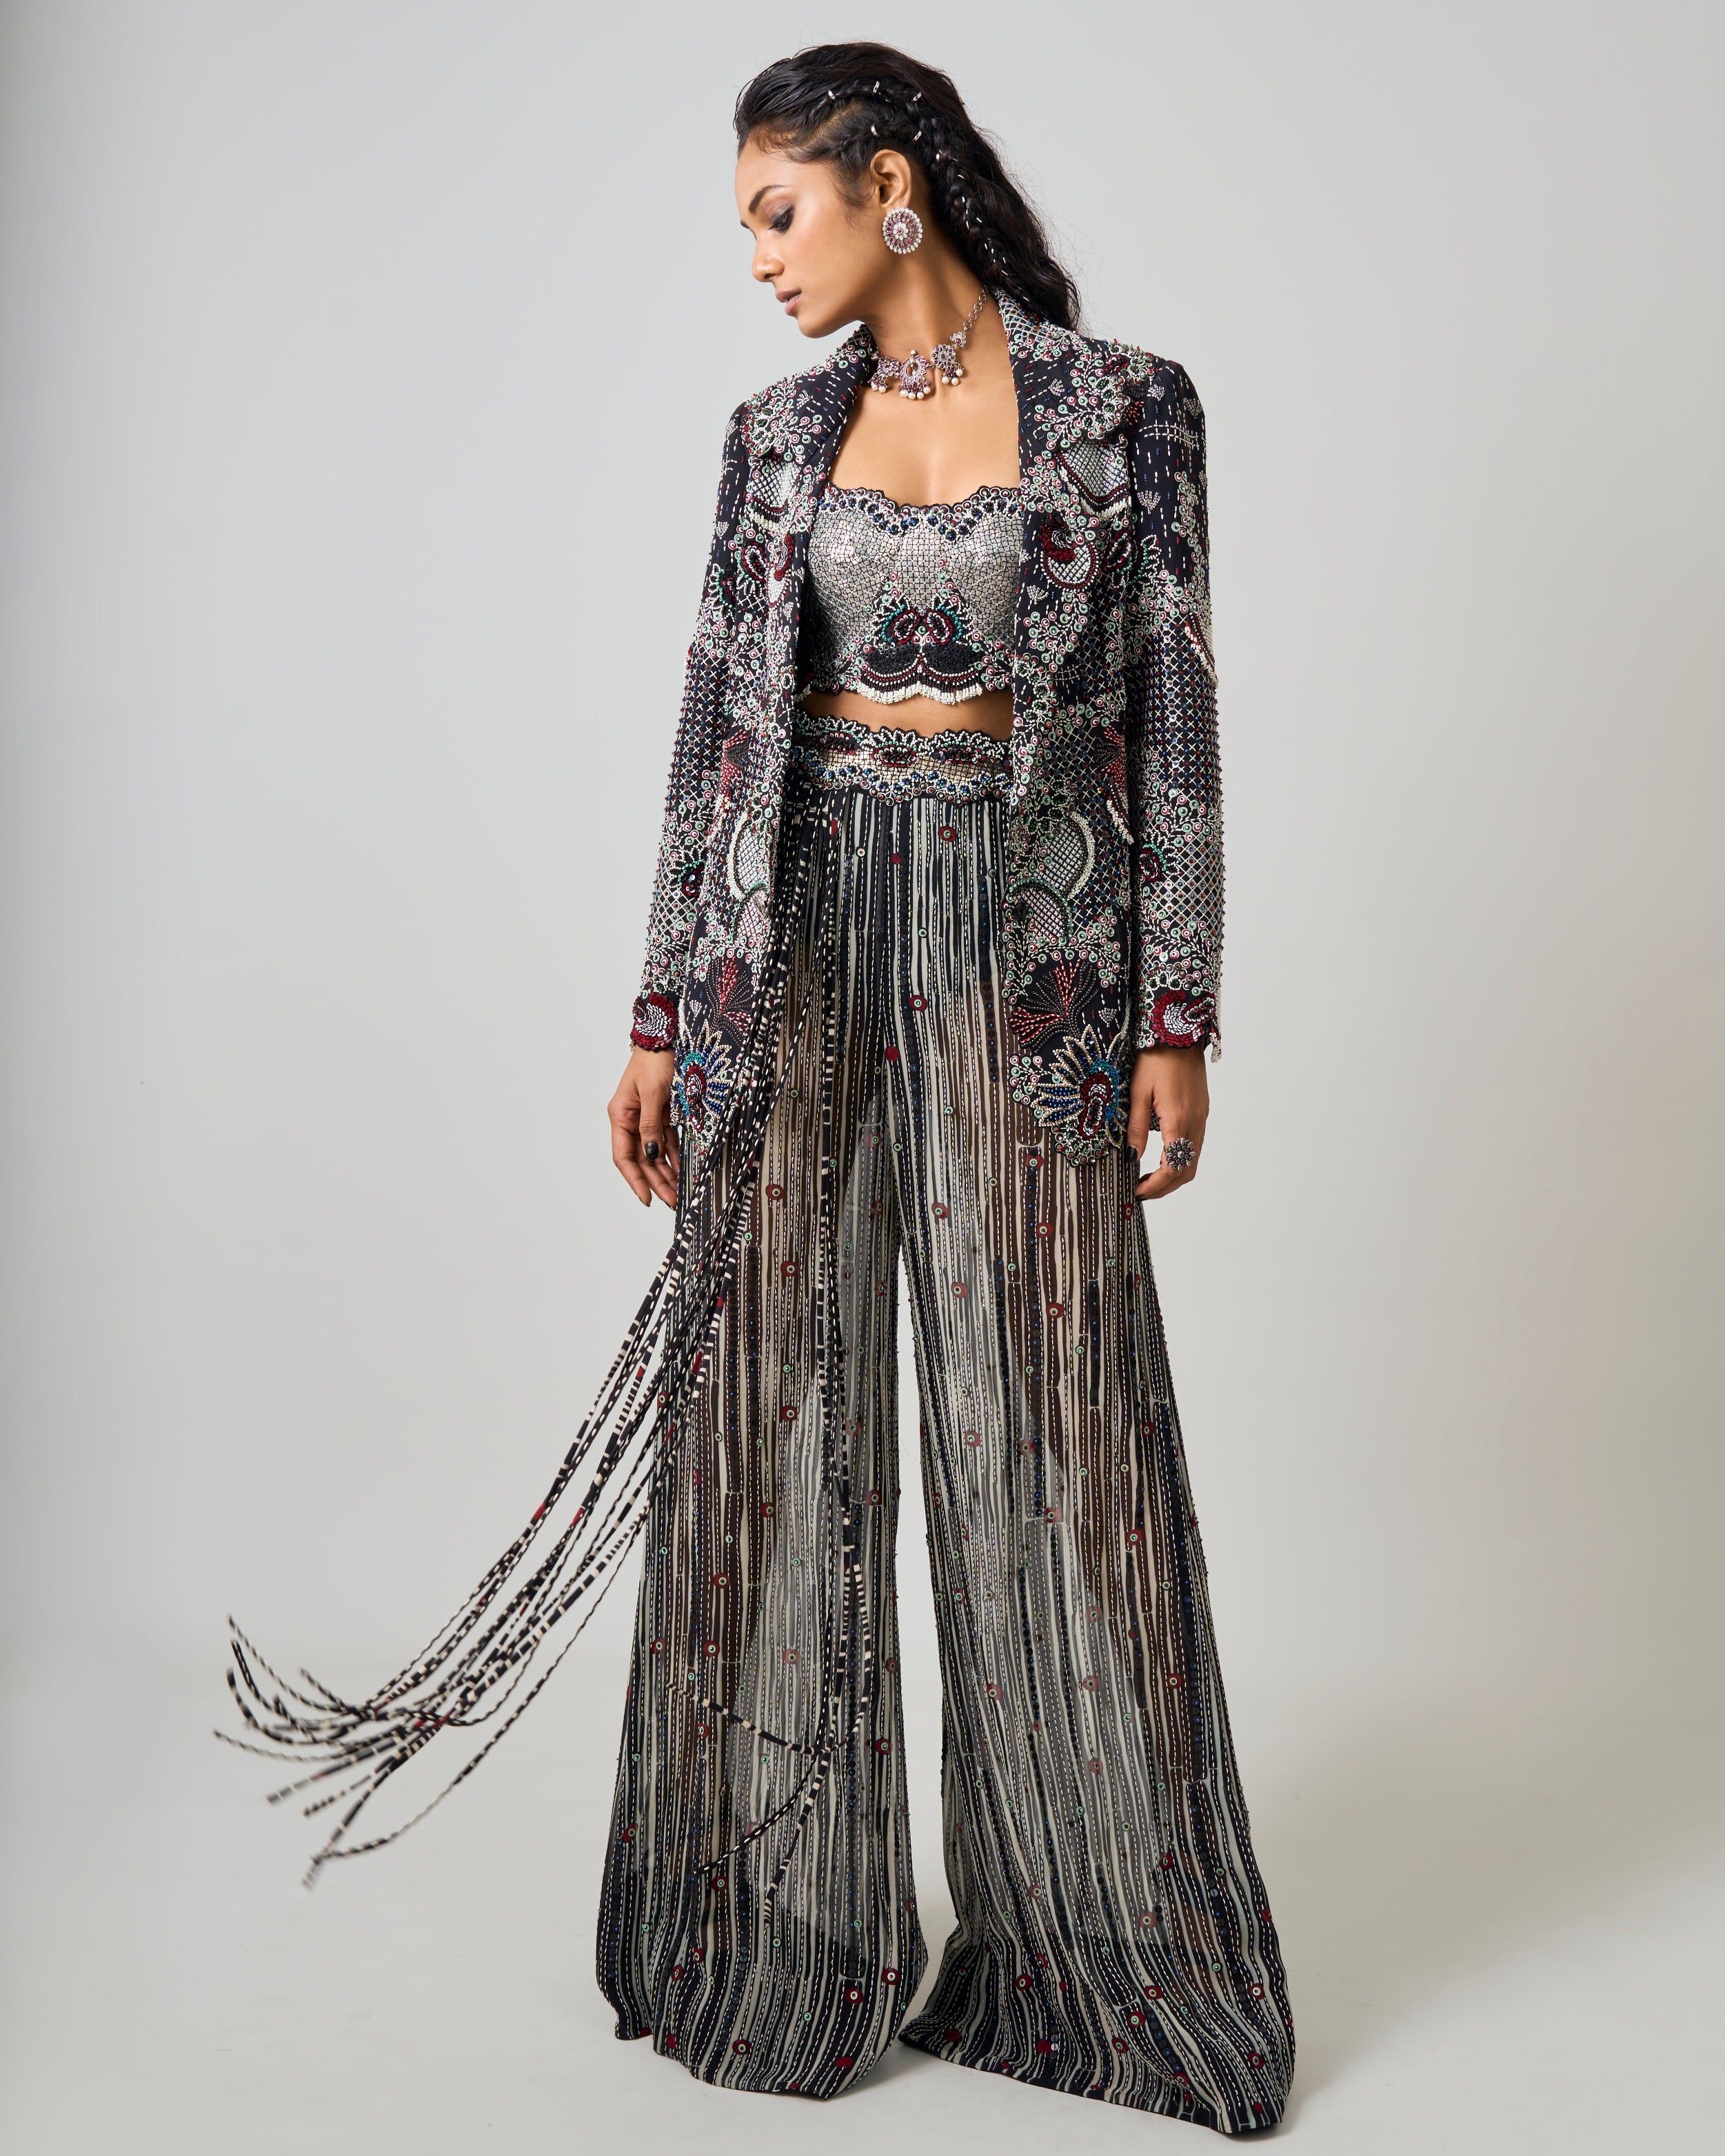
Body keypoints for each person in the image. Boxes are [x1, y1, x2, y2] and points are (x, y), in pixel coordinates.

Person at [222, 40, 1293, 2137]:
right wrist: (659, 1015)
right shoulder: (772, 438)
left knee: (1051, 1428)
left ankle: (1098, 1961)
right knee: (774, 1414)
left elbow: (1175, 714)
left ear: (893, 186)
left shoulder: (1127, 410)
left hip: (1030, 959)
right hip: (795, 954)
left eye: (774, 213)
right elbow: (718, 730)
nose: (756, 260)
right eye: (743, 227)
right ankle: (775, 1934)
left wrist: (1178, 1012)